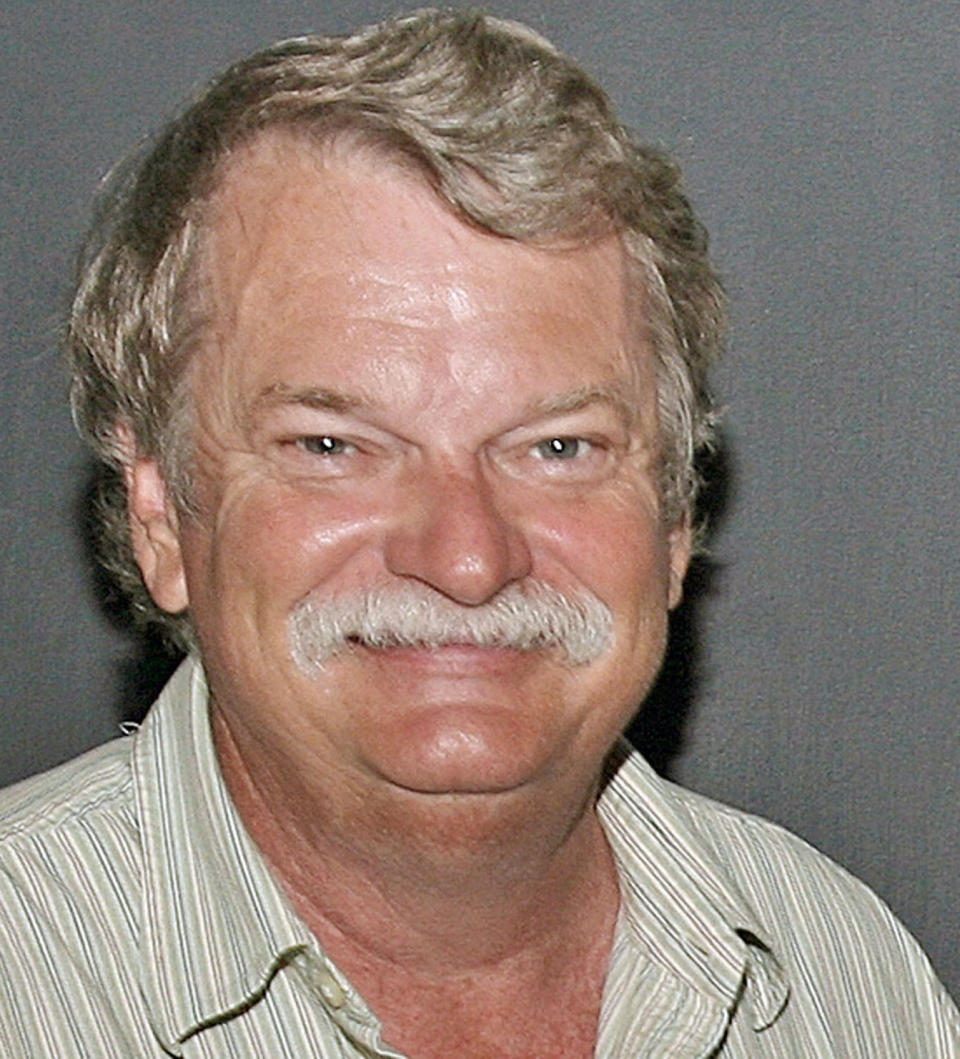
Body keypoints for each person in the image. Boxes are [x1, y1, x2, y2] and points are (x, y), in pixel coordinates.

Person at [0, 9, 956, 1057]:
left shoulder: (842, 980)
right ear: (160, 515)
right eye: (333, 446)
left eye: (558, 448)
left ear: (676, 516)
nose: (466, 557)